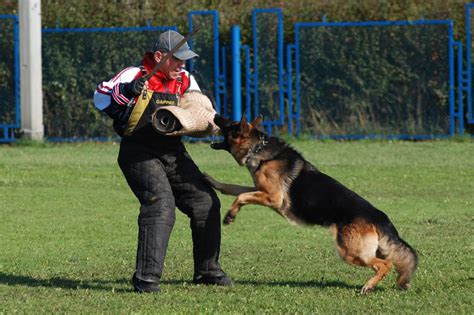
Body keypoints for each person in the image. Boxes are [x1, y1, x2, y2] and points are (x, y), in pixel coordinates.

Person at [93, 30, 232, 293]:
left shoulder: (184, 79)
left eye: (185, 60)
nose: (182, 65)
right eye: (177, 59)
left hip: (172, 152)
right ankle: (146, 279)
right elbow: (100, 96)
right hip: (138, 152)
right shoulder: (135, 74)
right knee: (160, 206)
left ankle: (207, 271)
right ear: (159, 56)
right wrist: (125, 91)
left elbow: (200, 107)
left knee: (205, 202)